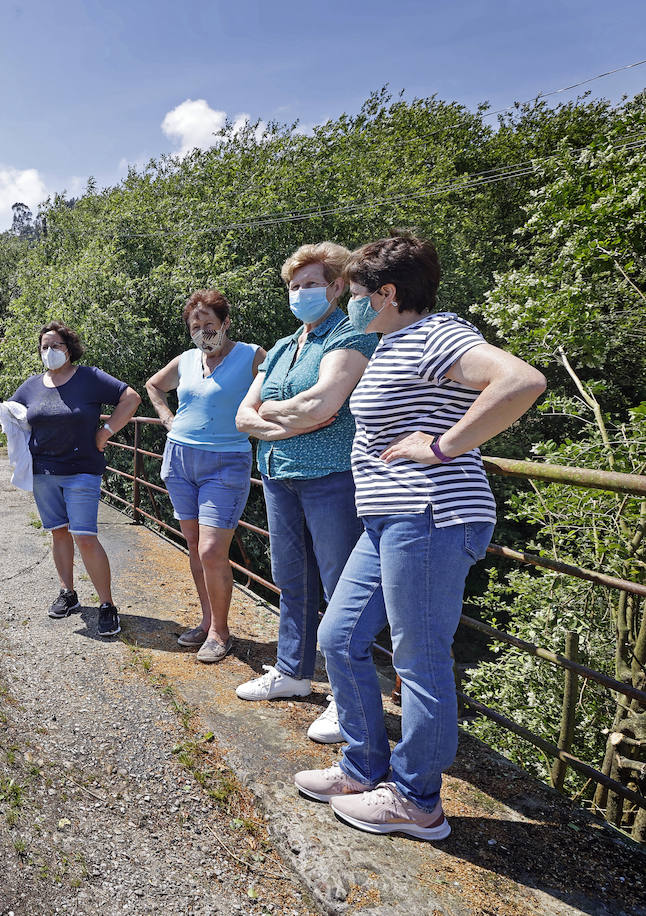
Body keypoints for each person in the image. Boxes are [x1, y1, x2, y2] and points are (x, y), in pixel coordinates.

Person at [294, 231, 545, 841]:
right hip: (388, 521)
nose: (348, 304)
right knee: (340, 635)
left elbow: (521, 381)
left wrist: (443, 445)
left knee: (420, 658)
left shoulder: (438, 333)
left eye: (354, 294)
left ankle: (417, 801)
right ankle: (362, 769)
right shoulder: (392, 343)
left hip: (431, 517)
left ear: (385, 293)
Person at [234, 243, 379, 740]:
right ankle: (293, 672)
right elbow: (242, 414)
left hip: (332, 476)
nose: (300, 294)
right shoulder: (280, 346)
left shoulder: (351, 332)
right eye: (294, 287)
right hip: (278, 473)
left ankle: (347, 697)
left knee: (341, 586)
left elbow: (325, 403)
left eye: (310, 284)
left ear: (337, 286)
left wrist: (274, 417)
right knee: (291, 576)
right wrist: (288, 423)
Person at [145, 290, 264, 663]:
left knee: (213, 549)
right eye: (195, 327)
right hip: (180, 460)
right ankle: (208, 621)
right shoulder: (185, 360)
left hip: (227, 461)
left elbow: (277, 388)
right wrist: (167, 417)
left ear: (226, 323)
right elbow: (153, 385)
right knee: (196, 545)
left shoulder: (251, 355)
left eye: (209, 325)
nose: (202, 332)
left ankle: (221, 632)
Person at [11, 321, 141, 637]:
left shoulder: (89, 378)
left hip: (82, 470)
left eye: (55, 345)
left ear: (69, 348)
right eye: (44, 346)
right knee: (58, 533)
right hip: (44, 473)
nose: (49, 351)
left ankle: (107, 605)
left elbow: (131, 397)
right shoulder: (30, 386)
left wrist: (105, 433)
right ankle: (68, 594)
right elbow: (13, 417)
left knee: (84, 536)